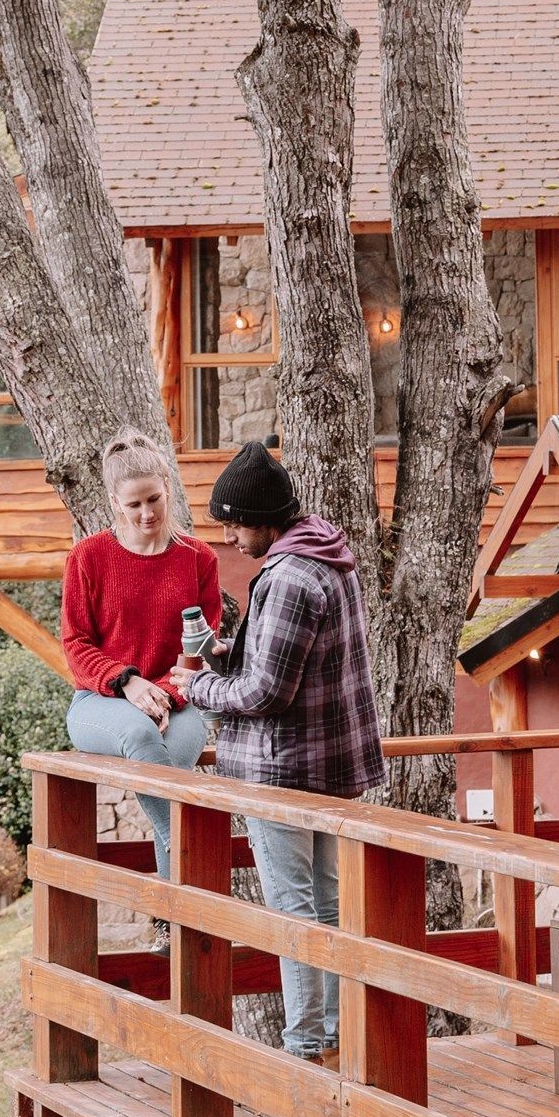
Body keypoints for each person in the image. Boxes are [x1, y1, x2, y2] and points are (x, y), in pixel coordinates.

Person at [171, 439, 382, 1065]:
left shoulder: (287, 577)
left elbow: (266, 691)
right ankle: (345, 1037)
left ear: (263, 518)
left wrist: (200, 685)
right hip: (326, 765)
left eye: (234, 523)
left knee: (293, 911)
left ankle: (303, 1048)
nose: (230, 538)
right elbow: (285, 662)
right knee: (329, 905)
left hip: (281, 768)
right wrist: (223, 651)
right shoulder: (326, 554)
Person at [62, 433, 223, 874]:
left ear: (168, 486)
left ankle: (169, 924)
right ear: (115, 501)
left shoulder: (198, 559)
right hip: (100, 703)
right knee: (139, 735)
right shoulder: (88, 557)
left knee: (165, 762)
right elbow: (75, 644)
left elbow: (201, 648)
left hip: (181, 701)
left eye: (154, 498)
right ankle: (186, 846)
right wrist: (128, 682)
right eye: (134, 505)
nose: (147, 513)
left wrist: (165, 696)